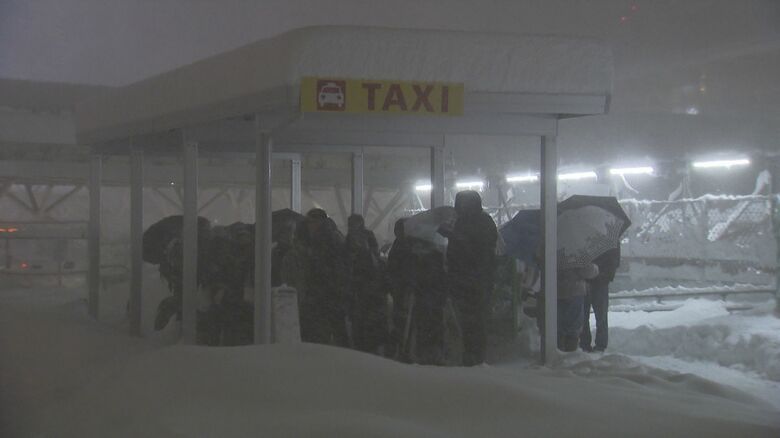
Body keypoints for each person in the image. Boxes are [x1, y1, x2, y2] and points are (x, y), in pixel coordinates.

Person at [438, 190, 498, 366]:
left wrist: (453, 236)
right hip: (462, 279)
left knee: (475, 321)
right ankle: (469, 355)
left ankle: (475, 357)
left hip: (476, 280)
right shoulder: (463, 222)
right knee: (464, 322)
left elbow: (479, 251)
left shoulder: (483, 222)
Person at [298, 208, 350, 347]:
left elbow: (322, 267)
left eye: (311, 222)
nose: (309, 226)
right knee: (338, 329)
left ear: (318, 222)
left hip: (325, 292)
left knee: (323, 332)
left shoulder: (322, 239)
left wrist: (310, 254)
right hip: (335, 292)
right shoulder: (335, 235)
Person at [344, 214, 386, 353]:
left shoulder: (361, 237)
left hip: (362, 284)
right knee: (363, 318)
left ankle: (363, 344)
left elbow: (371, 256)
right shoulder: (355, 237)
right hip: (363, 284)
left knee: (362, 317)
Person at [580, 247, 620, 352]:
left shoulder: (586, 240)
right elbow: (615, 261)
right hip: (599, 281)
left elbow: (614, 261)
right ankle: (600, 344)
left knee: (585, 315)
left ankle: (585, 344)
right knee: (600, 315)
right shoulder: (609, 242)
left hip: (589, 280)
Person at [557, 263, 599, 352]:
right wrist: (595, 268)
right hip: (575, 292)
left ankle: (558, 348)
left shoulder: (555, 258)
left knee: (559, 325)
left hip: (557, 292)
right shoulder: (577, 259)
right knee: (573, 327)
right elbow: (589, 271)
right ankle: (570, 351)